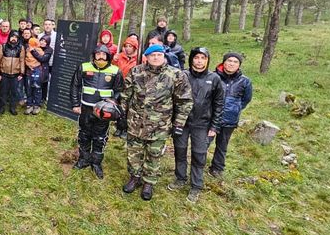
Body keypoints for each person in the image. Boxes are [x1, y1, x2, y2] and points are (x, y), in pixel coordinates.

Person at [121, 45, 193, 200]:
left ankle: (148, 183)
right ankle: (135, 177)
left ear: (164, 56)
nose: (155, 57)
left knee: (154, 155)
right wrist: (121, 115)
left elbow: (185, 101)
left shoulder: (175, 75)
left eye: (159, 54)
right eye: (152, 54)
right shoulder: (136, 71)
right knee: (134, 152)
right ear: (146, 56)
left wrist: (179, 124)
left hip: (159, 125)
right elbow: (125, 94)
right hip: (135, 123)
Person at [167, 47, 224, 203]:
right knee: (180, 151)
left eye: (203, 58)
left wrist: (214, 127)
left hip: (203, 124)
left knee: (199, 154)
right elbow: (172, 99)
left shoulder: (214, 79)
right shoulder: (182, 75)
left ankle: (196, 186)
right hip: (182, 122)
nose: (199, 61)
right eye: (196, 57)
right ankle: (180, 178)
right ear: (191, 59)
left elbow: (219, 104)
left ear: (207, 60)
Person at [70, 45, 123, 178]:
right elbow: (75, 86)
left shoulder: (115, 71)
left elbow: (119, 91)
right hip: (86, 108)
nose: (100, 57)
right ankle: (83, 159)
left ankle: (96, 163)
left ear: (108, 56)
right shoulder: (83, 67)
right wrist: (76, 104)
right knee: (84, 134)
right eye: (98, 54)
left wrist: (113, 102)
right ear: (93, 55)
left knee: (100, 137)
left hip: (104, 112)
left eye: (103, 54)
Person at [211, 52, 253, 178]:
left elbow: (246, 99)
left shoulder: (245, 81)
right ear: (224, 62)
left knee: (222, 145)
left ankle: (217, 168)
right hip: (211, 117)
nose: (232, 63)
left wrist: (236, 108)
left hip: (229, 119)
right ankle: (198, 165)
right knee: (203, 144)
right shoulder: (213, 77)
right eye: (229, 60)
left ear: (239, 65)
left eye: (235, 62)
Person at [0, 31, 25, 115]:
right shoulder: (3, 46)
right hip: (4, 73)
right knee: (3, 91)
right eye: (12, 37)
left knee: (14, 92)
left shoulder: (21, 48)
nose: (14, 39)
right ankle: (2, 107)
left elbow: (22, 61)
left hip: (15, 74)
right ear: (9, 37)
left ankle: (12, 107)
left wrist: (22, 73)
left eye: (16, 37)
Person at [24, 37, 50, 115]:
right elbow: (26, 58)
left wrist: (33, 51)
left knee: (37, 87)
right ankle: (29, 105)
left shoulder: (40, 50)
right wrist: (28, 64)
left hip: (37, 70)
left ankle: (36, 105)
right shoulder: (27, 50)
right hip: (29, 71)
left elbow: (42, 58)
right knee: (28, 88)